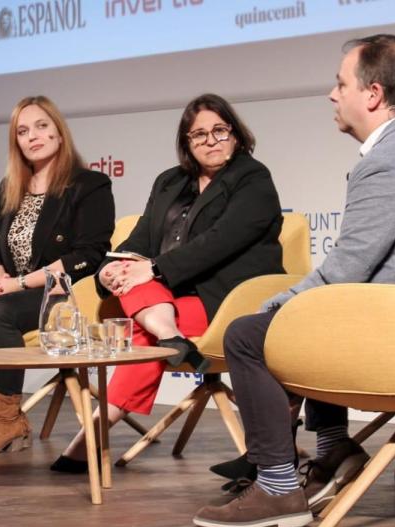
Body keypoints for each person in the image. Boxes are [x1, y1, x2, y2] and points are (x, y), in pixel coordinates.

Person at [192, 34, 395, 527]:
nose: (332, 94)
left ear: (371, 94)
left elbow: (346, 269)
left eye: (340, 83)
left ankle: (278, 489)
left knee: (248, 335)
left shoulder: (390, 161)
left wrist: (273, 310)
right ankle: (334, 450)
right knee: (314, 317)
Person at [51, 93, 284, 473]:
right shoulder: (170, 182)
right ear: (186, 143)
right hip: (167, 299)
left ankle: (89, 441)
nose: (211, 141)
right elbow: (140, 240)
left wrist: (153, 269)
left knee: (141, 331)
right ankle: (171, 338)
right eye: (199, 135)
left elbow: (221, 240)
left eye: (220, 131)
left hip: (224, 300)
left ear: (236, 135)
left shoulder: (253, 179)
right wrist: (112, 269)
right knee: (131, 284)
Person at [0, 95, 114, 455]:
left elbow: (89, 254)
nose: (32, 136)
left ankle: (3, 423)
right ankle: (6, 415)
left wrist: (17, 284)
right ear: (16, 141)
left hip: (60, 294)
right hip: (12, 290)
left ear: (59, 132)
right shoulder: (11, 187)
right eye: (23, 131)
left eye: (41, 126)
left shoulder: (89, 184)